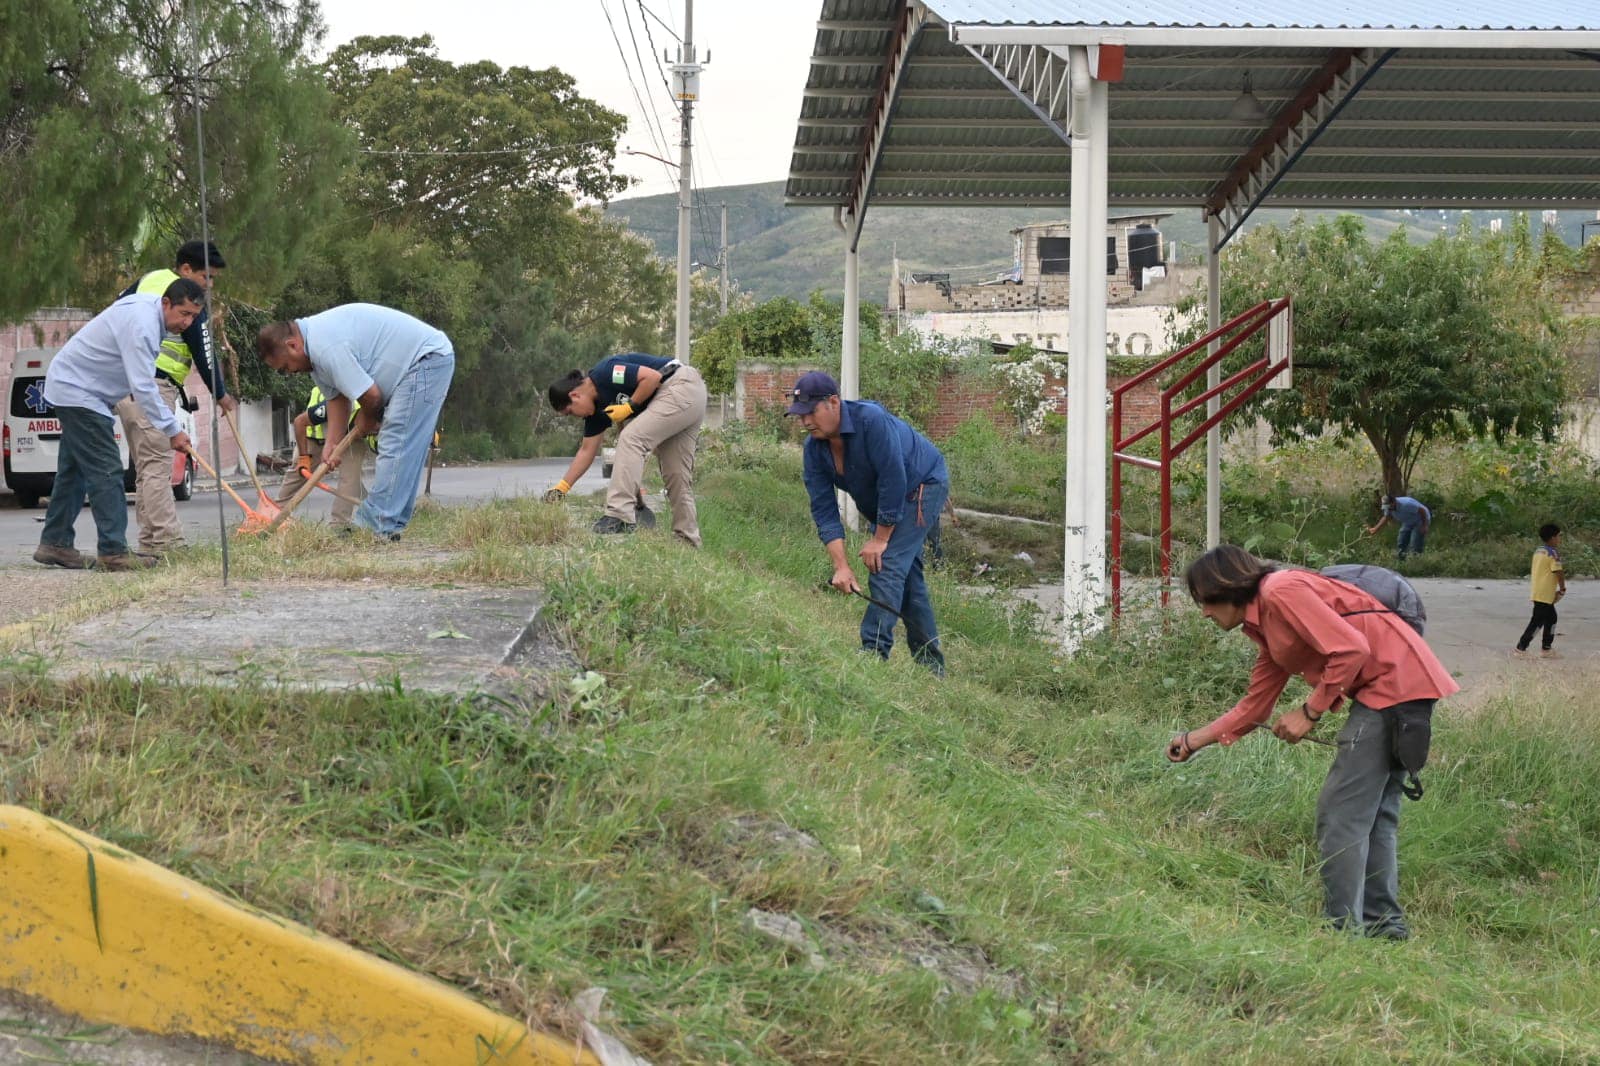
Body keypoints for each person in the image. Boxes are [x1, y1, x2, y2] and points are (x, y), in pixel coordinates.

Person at [1167, 545, 1458, 940]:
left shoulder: (1280, 591)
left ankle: (1341, 932)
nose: (1204, 612)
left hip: (1394, 688)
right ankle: (1384, 927)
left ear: (1228, 587)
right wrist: (1191, 741)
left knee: (1340, 813)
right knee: (1374, 817)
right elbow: (1254, 708)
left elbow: (1352, 649)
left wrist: (1310, 712)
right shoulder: (1265, 623)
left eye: (1206, 601)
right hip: (1403, 688)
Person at [33, 280, 202, 571]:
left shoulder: (148, 314)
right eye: (183, 313)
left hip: (77, 388)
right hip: (79, 392)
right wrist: (173, 430)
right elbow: (143, 388)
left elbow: (138, 386)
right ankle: (113, 552)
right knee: (107, 469)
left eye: (193, 317)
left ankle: (55, 543)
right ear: (166, 303)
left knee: (73, 474)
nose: (186, 322)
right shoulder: (143, 325)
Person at [788, 371, 949, 674]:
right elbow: (824, 509)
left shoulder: (870, 421)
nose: (805, 421)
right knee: (908, 582)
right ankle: (932, 668)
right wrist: (841, 566)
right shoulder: (814, 449)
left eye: (811, 412)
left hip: (921, 486)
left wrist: (880, 537)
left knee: (884, 563)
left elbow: (893, 477)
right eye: (800, 416)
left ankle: (872, 655)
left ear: (833, 402)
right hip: (887, 497)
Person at [255, 304, 454, 541]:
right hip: (424, 362)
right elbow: (337, 399)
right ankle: (389, 524)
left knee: (396, 442)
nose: (289, 373)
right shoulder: (316, 357)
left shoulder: (325, 347)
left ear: (292, 345)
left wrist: (367, 418)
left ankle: (375, 527)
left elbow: (371, 397)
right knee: (404, 449)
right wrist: (332, 444)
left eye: (286, 367)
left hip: (425, 361)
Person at [113, 240, 235, 557]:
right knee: (156, 465)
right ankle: (168, 543)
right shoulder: (186, 300)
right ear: (185, 270)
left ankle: (152, 544)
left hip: (124, 384)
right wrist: (221, 394)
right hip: (152, 384)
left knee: (147, 468)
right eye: (207, 277)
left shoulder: (146, 281)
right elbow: (204, 352)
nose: (209, 286)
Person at [544, 353, 706, 545]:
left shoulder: (606, 373)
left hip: (679, 385)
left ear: (575, 395)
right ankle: (687, 540)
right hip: (687, 398)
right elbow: (586, 452)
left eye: (570, 412)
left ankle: (619, 514)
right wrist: (562, 488)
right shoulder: (596, 413)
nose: (575, 417)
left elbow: (652, 378)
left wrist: (629, 407)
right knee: (676, 474)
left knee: (631, 438)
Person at [276, 385, 365, 527]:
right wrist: (304, 458)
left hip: (350, 440)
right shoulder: (338, 404)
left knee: (350, 480)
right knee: (298, 474)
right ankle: (274, 514)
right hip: (313, 438)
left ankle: (339, 525)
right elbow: (299, 422)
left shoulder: (371, 412)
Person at [1514, 523, 1567, 660]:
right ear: (1552, 537)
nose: (1559, 539)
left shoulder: (1539, 551)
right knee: (1537, 621)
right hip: (1545, 594)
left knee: (1551, 618)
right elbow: (1558, 571)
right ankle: (1521, 648)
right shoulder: (1552, 553)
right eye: (1558, 536)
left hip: (1539, 591)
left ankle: (1546, 649)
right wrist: (1562, 588)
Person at [1366, 494, 1431, 560]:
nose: (1388, 508)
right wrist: (1375, 529)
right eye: (1386, 506)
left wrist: (1424, 525)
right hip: (1408, 521)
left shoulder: (1406, 504)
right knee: (1401, 540)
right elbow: (1386, 517)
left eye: (1389, 506)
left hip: (1420, 520)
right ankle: (1401, 560)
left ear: (1394, 501)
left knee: (1415, 542)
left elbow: (1422, 511)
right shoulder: (1388, 507)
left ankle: (1416, 561)